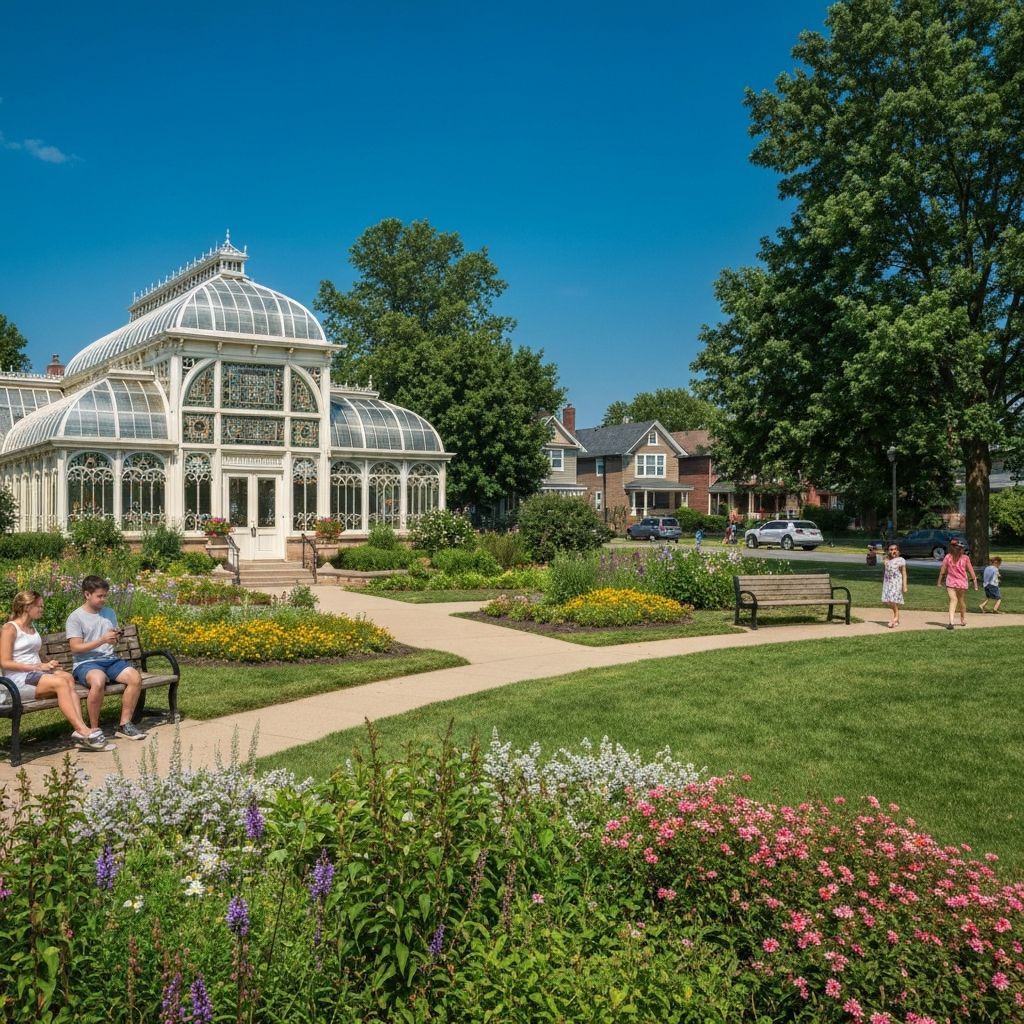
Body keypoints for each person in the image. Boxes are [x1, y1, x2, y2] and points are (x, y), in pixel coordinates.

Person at [0, 591, 109, 750]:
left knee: (67, 677)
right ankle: (82, 730)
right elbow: (5, 662)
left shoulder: (31, 627)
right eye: (39, 606)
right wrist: (37, 667)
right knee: (60, 683)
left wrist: (48, 663)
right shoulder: (10, 628)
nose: (42, 609)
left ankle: (80, 730)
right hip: (18, 680)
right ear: (27, 606)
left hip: (34, 675)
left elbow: (34, 652)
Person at [65, 576, 147, 741]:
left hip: (110, 659)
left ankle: (125, 724)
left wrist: (116, 636)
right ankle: (95, 729)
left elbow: (111, 638)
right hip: (86, 663)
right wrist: (102, 640)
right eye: (100, 596)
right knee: (98, 680)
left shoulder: (109, 613)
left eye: (105, 596)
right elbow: (75, 648)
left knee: (134, 677)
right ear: (87, 594)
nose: (104, 599)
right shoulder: (75, 617)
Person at [936, 539, 978, 630]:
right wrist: (939, 581)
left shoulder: (958, 558)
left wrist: (975, 583)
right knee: (957, 600)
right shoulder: (954, 557)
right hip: (956, 582)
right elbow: (943, 570)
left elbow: (970, 570)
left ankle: (958, 619)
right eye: (959, 548)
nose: (960, 550)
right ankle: (954, 621)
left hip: (957, 582)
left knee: (957, 601)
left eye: (960, 548)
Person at [881, 543, 908, 627]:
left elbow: (904, 573)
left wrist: (904, 585)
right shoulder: (886, 560)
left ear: (898, 550)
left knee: (892, 600)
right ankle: (896, 617)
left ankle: (895, 618)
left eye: (894, 549)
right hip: (888, 583)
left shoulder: (901, 560)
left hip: (896, 582)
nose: (893, 551)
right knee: (888, 601)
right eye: (891, 549)